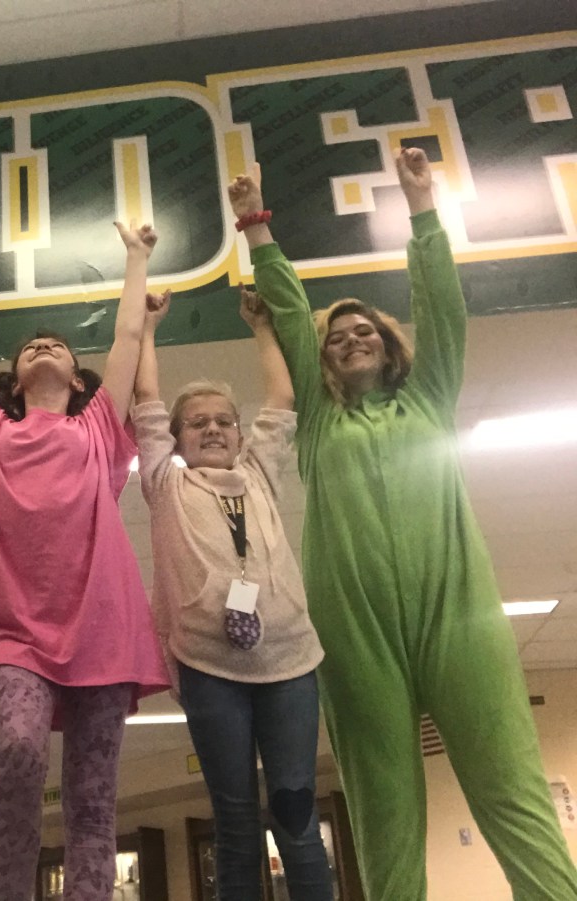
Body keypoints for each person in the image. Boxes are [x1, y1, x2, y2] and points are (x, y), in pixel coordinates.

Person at [236, 149, 577, 899]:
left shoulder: (429, 399)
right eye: (337, 337)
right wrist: (257, 227)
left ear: (390, 345)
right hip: (356, 625)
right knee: (383, 805)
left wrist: (422, 208)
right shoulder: (319, 424)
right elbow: (290, 317)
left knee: (511, 785)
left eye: (366, 330)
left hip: (458, 612)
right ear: (324, 361)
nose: (352, 337)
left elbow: (443, 308)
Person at [0, 221, 170, 900]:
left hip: (103, 628)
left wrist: (137, 258)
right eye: (31, 346)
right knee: (18, 747)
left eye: (58, 346)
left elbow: (127, 337)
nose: (43, 346)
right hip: (13, 631)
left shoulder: (96, 426)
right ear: (12, 379)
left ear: (77, 376)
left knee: (94, 797)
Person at [131, 286, 331, 900]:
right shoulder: (165, 484)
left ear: (240, 435)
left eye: (224, 421)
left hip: (290, 663)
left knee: (297, 814)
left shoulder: (259, 475)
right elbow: (145, 401)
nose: (213, 429)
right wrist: (147, 329)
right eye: (198, 423)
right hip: (209, 667)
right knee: (236, 822)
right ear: (176, 438)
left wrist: (262, 328)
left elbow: (283, 401)